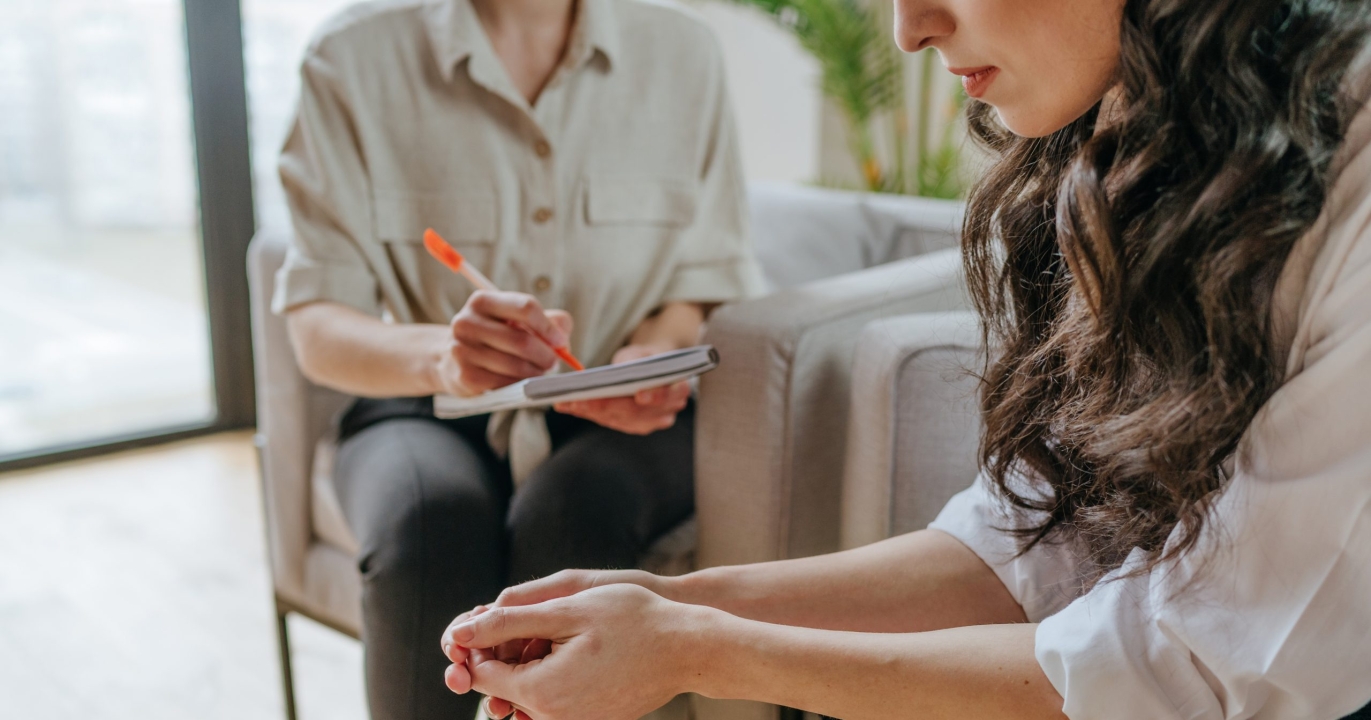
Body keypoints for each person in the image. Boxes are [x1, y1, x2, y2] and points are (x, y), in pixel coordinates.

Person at [438, 0, 1371, 718]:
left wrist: (696, 648)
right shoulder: (1134, 146)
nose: (906, 32)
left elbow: (1206, 665)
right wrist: (682, 600)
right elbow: (1037, 540)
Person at [272, 0, 764, 717]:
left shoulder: (683, 53)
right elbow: (317, 327)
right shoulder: (351, 56)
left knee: (573, 516)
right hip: (424, 401)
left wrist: (654, 354)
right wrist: (447, 358)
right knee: (425, 524)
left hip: (625, 416)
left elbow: (701, 289)